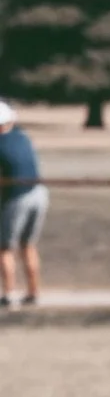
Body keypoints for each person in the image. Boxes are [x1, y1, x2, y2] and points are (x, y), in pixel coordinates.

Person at [0, 100, 48, 308]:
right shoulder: (22, 136)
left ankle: (8, 294)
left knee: (4, 248)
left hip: (16, 197)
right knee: (28, 245)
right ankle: (33, 293)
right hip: (38, 192)